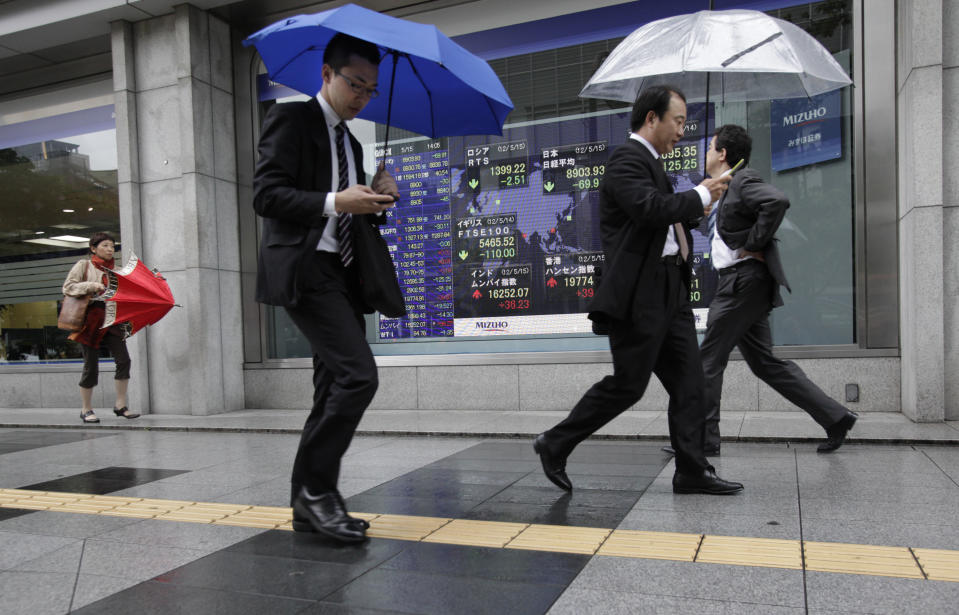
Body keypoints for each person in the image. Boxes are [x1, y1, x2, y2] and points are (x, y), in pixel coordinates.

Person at [532, 85, 743, 495]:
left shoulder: (653, 164)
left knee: (690, 383)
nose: (683, 130)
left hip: (670, 289)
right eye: (678, 121)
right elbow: (649, 209)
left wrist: (702, 202)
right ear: (652, 118)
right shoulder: (625, 161)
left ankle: (691, 470)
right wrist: (698, 193)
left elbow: (665, 222)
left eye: (685, 123)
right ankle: (555, 442)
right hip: (640, 295)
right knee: (628, 386)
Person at [252, 33, 399, 543]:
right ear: (327, 75)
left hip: (342, 274)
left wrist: (378, 199)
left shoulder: (354, 143)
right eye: (355, 83)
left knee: (332, 386)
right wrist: (338, 200)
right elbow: (266, 195)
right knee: (359, 376)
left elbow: (350, 216)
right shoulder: (291, 120)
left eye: (370, 89)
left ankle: (308, 502)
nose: (361, 96)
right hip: (303, 269)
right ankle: (317, 493)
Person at [698, 124, 857, 454]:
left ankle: (701, 441)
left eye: (711, 147)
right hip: (741, 282)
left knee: (708, 361)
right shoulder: (723, 189)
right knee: (765, 363)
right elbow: (719, 231)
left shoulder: (742, 180)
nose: (707, 153)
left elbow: (777, 201)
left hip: (741, 282)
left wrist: (754, 242)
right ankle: (835, 417)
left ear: (723, 153)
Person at [62, 232, 139, 423]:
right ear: (93, 248)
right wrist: (92, 285)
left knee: (124, 360)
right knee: (91, 366)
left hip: (112, 319)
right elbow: (68, 287)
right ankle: (86, 409)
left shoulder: (118, 271)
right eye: (105, 245)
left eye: (112, 246)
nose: (110, 249)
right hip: (90, 319)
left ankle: (120, 406)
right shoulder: (84, 265)